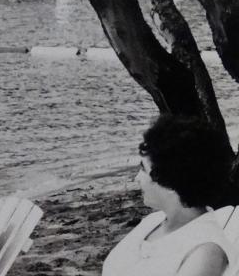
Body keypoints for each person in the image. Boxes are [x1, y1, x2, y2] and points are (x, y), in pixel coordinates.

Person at [101, 115, 237, 276]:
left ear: (170, 182)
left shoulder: (205, 254)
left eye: (143, 169)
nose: (137, 178)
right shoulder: (153, 221)